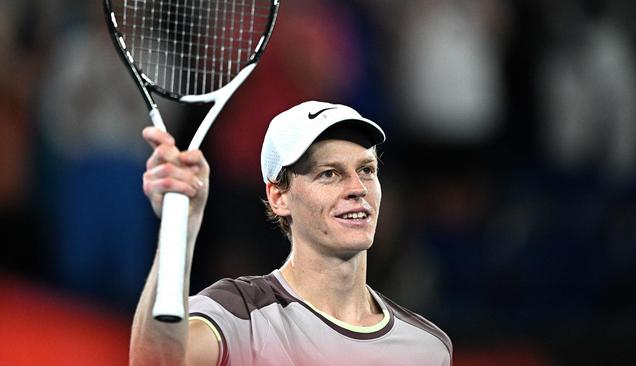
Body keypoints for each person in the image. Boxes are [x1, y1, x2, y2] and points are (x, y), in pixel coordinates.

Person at [131, 101, 453, 365]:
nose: (358, 188)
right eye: (329, 174)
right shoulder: (240, 315)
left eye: (367, 170)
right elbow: (158, 362)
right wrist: (181, 227)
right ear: (279, 197)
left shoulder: (428, 347)